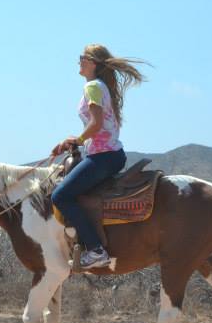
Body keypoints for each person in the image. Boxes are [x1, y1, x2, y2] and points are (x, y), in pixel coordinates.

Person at [51, 44, 145, 268]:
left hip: (103, 156)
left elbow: (96, 123)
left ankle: (95, 250)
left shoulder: (93, 86)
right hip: (108, 154)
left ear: (93, 63)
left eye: (83, 57)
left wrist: (78, 140)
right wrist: (75, 139)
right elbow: (97, 126)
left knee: (60, 196)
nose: (79, 61)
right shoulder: (100, 86)